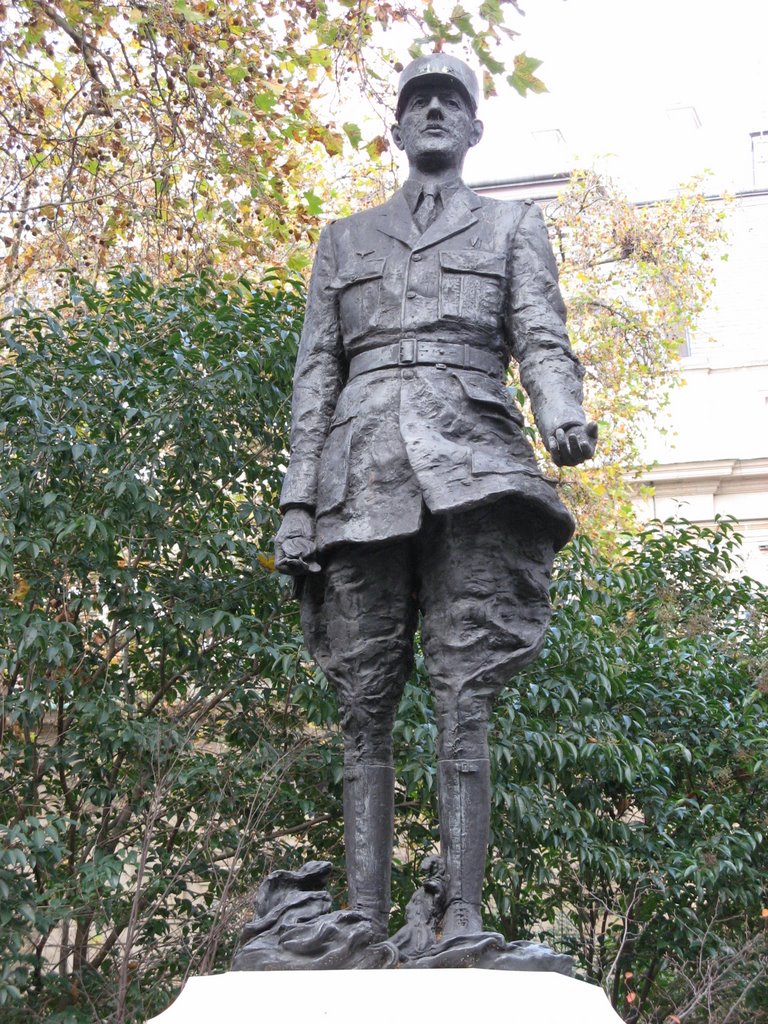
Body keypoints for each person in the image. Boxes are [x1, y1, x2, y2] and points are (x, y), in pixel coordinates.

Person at [274, 54, 597, 941]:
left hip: (475, 468)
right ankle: (364, 920)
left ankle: (460, 918)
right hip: (361, 469)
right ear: (400, 125)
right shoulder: (344, 240)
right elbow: (315, 374)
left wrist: (563, 412)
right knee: (363, 697)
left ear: (474, 129)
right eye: (419, 103)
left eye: (452, 102)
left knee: (467, 692)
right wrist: (298, 501)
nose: (435, 114)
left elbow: (539, 334)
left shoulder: (512, 225)